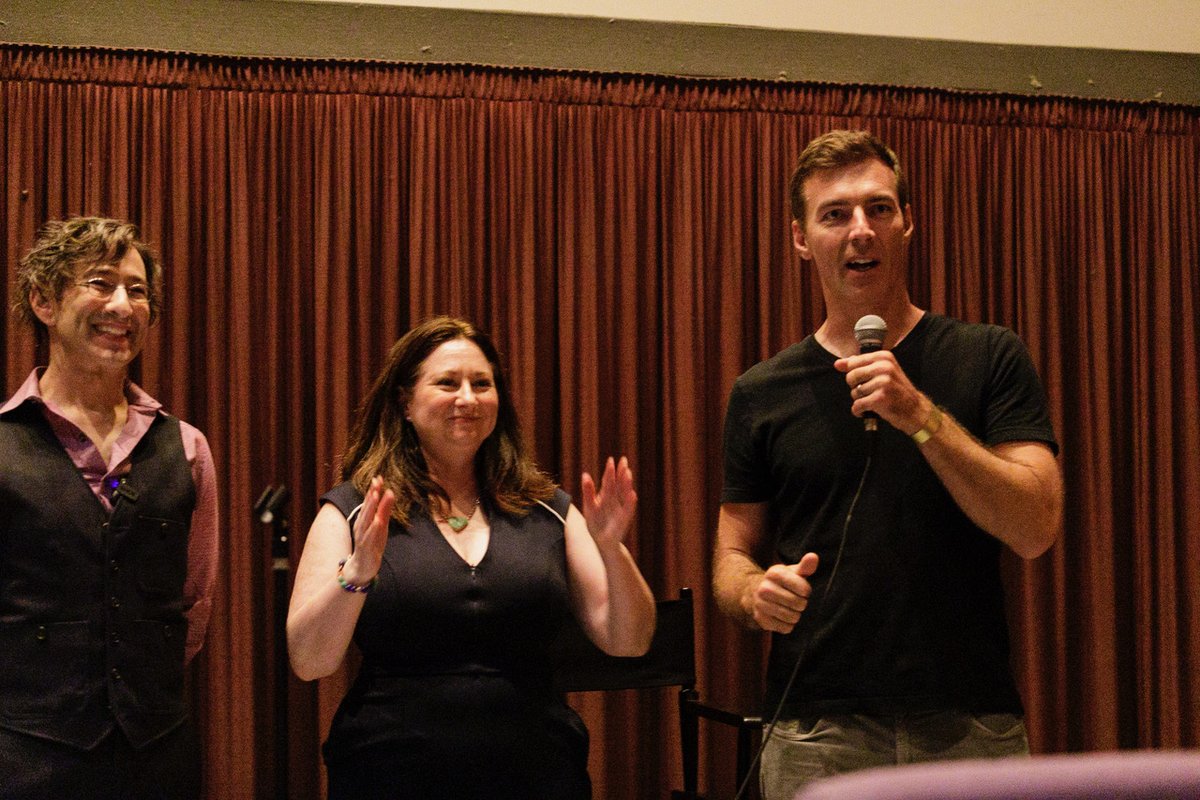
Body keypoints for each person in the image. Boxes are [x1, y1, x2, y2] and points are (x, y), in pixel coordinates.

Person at [713, 130, 1064, 799]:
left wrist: (921, 416)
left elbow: (1036, 525)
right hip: (816, 734)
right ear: (801, 239)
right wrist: (755, 593)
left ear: (908, 223)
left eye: (879, 208)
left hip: (969, 725)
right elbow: (730, 556)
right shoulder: (761, 392)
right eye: (835, 214)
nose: (860, 230)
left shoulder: (990, 356)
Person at [287, 315, 656, 800]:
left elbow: (629, 640)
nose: (468, 398)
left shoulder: (548, 509)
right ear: (405, 402)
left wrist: (611, 550)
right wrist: (355, 575)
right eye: (447, 383)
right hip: (390, 772)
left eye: (482, 384)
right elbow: (310, 660)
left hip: (537, 772)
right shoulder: (356, 509)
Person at [0, 217, 219, 799]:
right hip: (22, 760)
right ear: (43, 302)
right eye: (100, 283)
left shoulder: (187, 447)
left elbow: (194, 604)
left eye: (137, 290)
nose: (123, 305)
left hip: (158, 758)